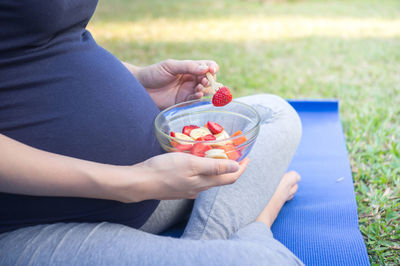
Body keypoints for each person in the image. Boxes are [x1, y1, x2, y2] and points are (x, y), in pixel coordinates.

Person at [0, 1, 303, 265]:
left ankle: (203, 243)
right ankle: (255, 226)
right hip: (28, 223)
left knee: (275, 112)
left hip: (151, 190)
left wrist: (139, 80)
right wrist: (136, 181)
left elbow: (52, 41)